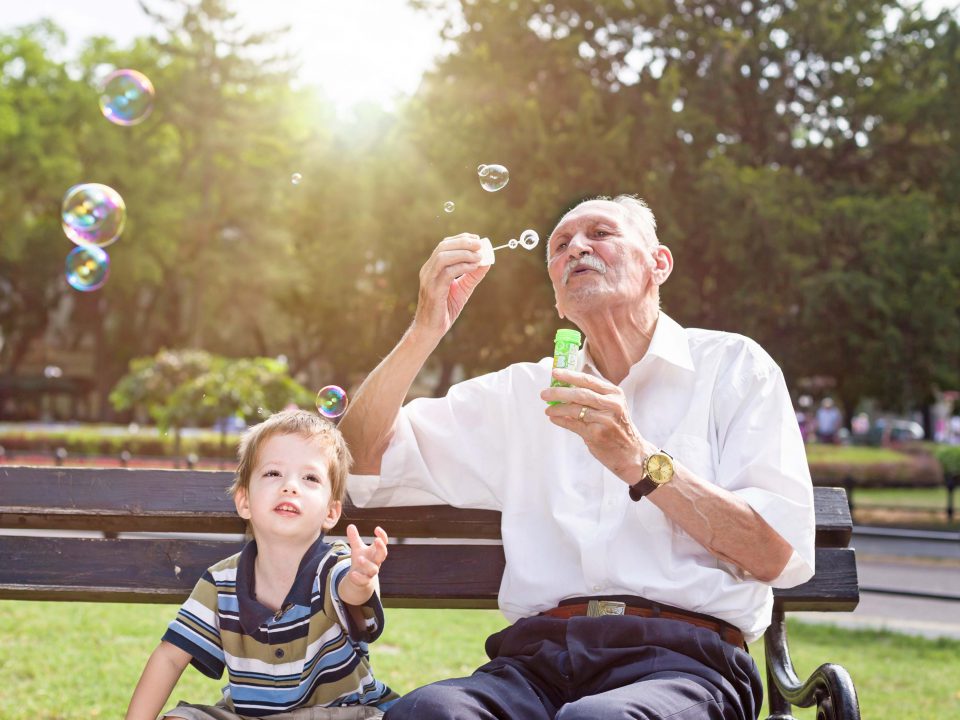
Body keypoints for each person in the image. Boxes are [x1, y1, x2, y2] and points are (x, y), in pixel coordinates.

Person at [339, 195, 815, 720]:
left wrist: (639, 460)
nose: (577, 248)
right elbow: (360, 458)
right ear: (559, 301)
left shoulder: (733, 367)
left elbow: (774, 554)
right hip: (537, 661)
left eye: (602, 234)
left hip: (687, 662)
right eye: (560, 245)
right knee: (428, 713)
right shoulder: (521, 393)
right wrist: (425, 328)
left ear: (660, 262)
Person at [125, 409, 398, 720]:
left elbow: (349, 588)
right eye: (273, 473)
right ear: (244, 501)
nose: (290, 486)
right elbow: (170, 658)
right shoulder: (221, 582)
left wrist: (362, 578)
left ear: (330, 513)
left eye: (310, 478)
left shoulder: (333, 565)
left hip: (336, 713)